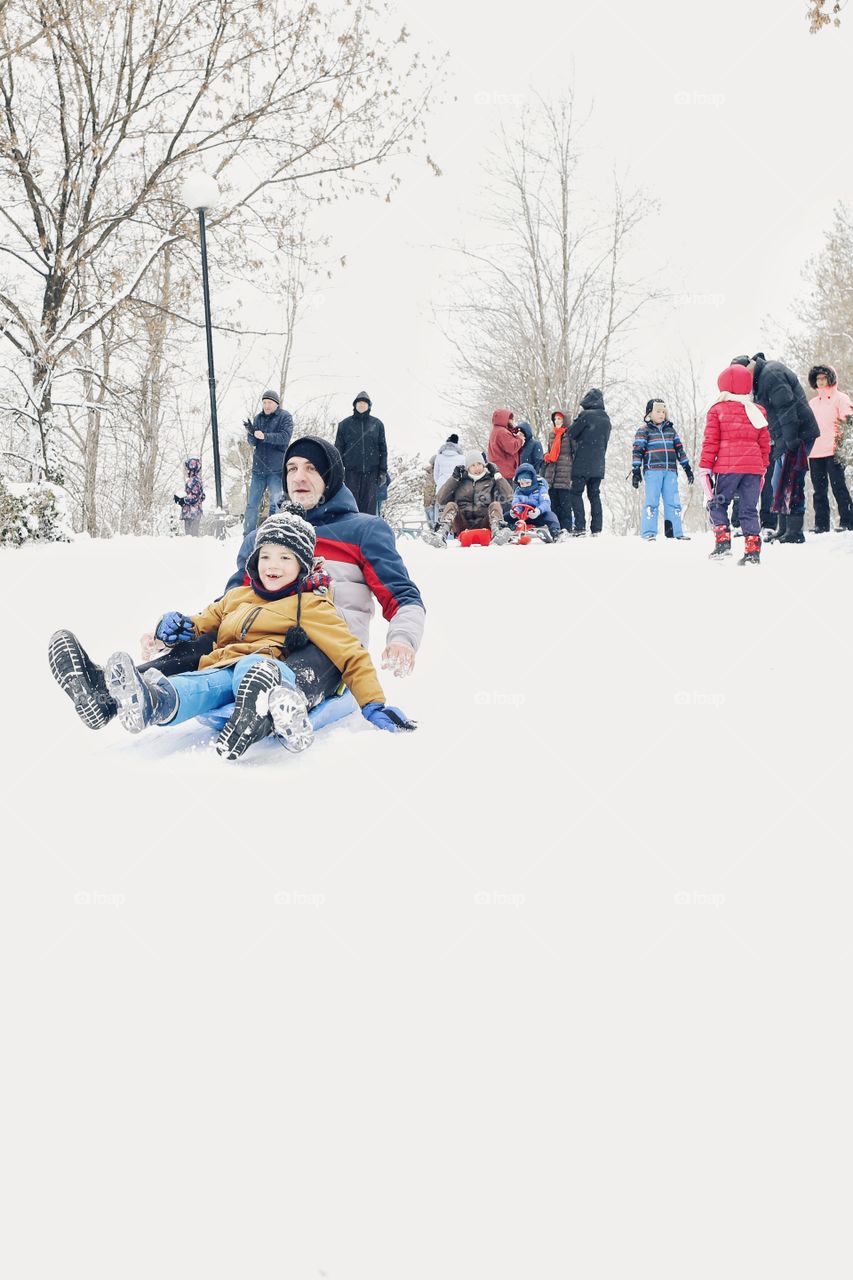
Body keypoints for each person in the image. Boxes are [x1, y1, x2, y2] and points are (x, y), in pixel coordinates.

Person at [49, 437, 426, 733]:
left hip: (325, 645)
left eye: (311, 468)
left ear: (331, 476)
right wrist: (177, 632)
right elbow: (233, 602)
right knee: (211, 640)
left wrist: (402, 640)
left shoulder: (363, 530)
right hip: (259, 637)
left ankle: (271, 706)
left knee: (308, 655)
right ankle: (107, 694)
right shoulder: (266, 536)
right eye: (291, 468)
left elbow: (403, 596)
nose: (298, 477)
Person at [48, 508, 415, 760]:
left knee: (254, 671)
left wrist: (373, 704)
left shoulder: (313, 606)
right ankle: (150, 702)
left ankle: (267, 710)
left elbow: (349, 653)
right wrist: (173, 625)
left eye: (286, 559)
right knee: (197, 686)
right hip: (223, 665)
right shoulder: (238, 596)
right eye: (266, 556)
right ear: (254, 561)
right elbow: (202, 622)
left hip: (270, 668)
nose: (273, 565)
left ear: (302, 567)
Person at [731, 353, 819, 544]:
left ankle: (795, 532)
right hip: (783, 438)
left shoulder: (771, 373)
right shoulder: (759, 380)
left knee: (792, 481)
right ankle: (783, 528)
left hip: (798, 435)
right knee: (778, 482)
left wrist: (792, 441)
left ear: (748, 368)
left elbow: (786, 408)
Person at [699, 363, 770, 565]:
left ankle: (723, 544)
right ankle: (752, 551)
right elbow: (764, 443)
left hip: (727, 467)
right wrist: (762, 466)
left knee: (717, 502)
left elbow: (711, 441)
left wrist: (705, 466)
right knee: (749, 509)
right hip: (753, 468)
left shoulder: (717, 410)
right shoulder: (757, 411)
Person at [631, 400, 694, 541]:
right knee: (652, 501)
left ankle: (675, 532)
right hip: (653, 471)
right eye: (658, 411)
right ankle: (648, 532)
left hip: (670, 471)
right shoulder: (644, 430)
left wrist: (687, 468)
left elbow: (680, 450)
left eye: (663, 412)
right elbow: (637, 451)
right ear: (649, 414)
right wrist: (636, 470)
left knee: (673, 501)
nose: (661, 414)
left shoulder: (671, 430)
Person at [424, 451, 513, 547]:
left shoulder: (491, 480)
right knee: (451, 505)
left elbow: (509, 496)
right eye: (473, 465)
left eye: (479, 464)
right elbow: (441, 499)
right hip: (463, 523)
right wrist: (454, 478)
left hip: (485, 522)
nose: (477, 468)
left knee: (495, 504)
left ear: (484, 465)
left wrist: (498, 475)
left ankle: (498, 533)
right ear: (468, 468)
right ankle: (440, 535)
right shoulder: (461, 481)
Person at [806, 364, 853, 532]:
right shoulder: (812, 403)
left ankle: (848, 522)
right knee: (818, 491)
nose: (820, 381)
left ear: (830, 378)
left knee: (838, 487)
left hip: (834, 450)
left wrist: (841, 445)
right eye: (817, 379)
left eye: (823, 378)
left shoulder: (841, 398)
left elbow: (847, 423)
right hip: (815, 451)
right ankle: (821, 524)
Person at [242, 389, 293, 534]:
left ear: (276, 404)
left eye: (269, 402)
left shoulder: (285, 417)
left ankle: (273, 533)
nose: (266, 405)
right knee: (252, 505)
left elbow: (285, 438)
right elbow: (253, 442)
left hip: (276, 470)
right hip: (258, 469)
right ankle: (248, 535)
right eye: (264, 402)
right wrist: (251, 434)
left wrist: (264, 436)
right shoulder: (259, 418)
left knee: (276, 504)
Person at [334, 391, 388, 514]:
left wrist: (383, 471)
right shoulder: (345, 425)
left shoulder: (377, 424)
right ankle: (352, 531)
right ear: (355, 405)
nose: (362, 405)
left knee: (370, 507)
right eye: (359, 403)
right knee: (351, 505)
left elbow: (383, 449)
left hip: (372, 473)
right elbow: (337, 450)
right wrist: (338, 471)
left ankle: (367, 531)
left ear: (369, 406)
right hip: (351, 473)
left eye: (365, 403)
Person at [568, 389, 611, 535]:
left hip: (581, 463)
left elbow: (571, 433)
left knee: (576, 493)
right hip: (598, 464)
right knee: (594, 495)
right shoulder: (606, 419)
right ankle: (597, 528)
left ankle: (580, 527)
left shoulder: (586, 416)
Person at [509, 463, 561, 541]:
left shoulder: (541, 489)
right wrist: (515, 511)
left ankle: (555, 533)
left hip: (538, 515)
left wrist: (538, 510)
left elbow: (545, 502)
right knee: (507, 516)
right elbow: (516, 502)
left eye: (527, 483)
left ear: (532, 481)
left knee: (551, 516)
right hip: (523, 517)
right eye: (522, 483)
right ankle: (505, 530)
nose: (525, 486)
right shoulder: (518, 491)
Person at [424, 434, 465, 525]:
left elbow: (436, 475)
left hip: (441, 488)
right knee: (455, 510)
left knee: (442, 512)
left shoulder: (439, 457)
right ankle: (455, 531)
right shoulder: (462, 458)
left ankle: (441, 529)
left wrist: (440, 483)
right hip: (457, 488)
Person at [543, 410, 574, 532]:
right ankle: (555, 528)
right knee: (553, 503)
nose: (557, 421)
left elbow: (574, 453)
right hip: (552, 474)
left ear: (565, 421)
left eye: (559, 419)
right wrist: (547, 456)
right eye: (555, 419)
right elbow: (550, 451)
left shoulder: (569, 435)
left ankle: (566, 528)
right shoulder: (552, 435)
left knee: (565, 504)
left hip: (565, 473)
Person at [487, 409, 523, 481]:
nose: (512, 421)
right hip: (505, 472)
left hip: (498, 471)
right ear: (504, 419)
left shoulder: (495, 431)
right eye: (510, 419)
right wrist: (520, 439)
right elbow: (512, 448)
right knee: (508, 491)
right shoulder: (502, 432)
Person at [174, 457, 204, 536]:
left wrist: (183, 500)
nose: (186, 470)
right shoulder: (193, 480)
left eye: (187, 468)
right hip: (191, 513)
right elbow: (202, 496)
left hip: (192, 514)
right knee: (191, 536)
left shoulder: (194, 480)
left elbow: (195, 497)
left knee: (191, 537)